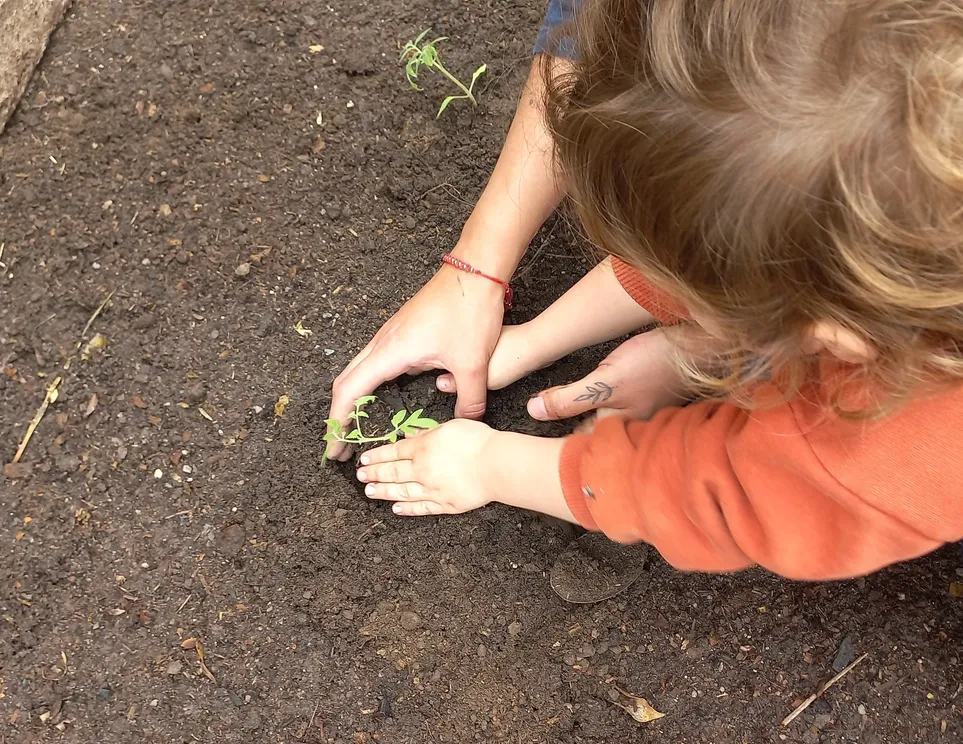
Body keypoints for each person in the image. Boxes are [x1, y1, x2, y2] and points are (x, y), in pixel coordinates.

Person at [344, 0, 963, 580]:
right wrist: (536, 339)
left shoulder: (880, 456)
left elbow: (707, 492)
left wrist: (486, 464)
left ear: (830, 332)